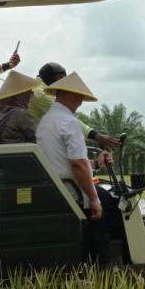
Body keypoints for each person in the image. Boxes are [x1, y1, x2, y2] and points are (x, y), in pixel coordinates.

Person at [35, 72, 115, 267]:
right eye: (79, 97)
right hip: (71, 192)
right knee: (109, 205)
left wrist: (96, 164)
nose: (80, 102)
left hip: (55, 187)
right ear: (69, 95)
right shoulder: (69, 122)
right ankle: (107, 272)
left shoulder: (46, 121)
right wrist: (94, 199)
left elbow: (65, 160)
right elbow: (77, 165)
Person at [29, 62, 121, 149]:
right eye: (61, 78)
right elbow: (66, 117)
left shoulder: (37, 88)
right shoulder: (41, 94)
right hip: (34, 142)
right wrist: (96, 136)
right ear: (53, 77)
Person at [0, 70, 40, 144]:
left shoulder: (2, 112)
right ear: (21, 95)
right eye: (28, 92)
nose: (31, 94)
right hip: (22, 153)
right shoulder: (20, 114)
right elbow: (39, 137)